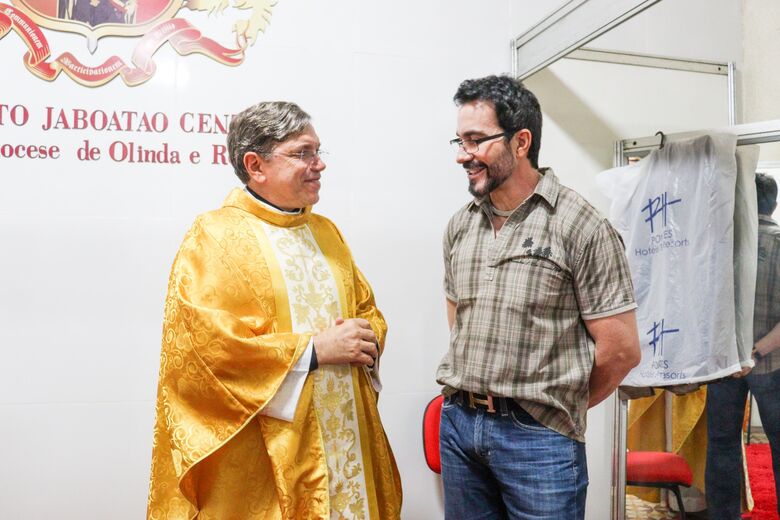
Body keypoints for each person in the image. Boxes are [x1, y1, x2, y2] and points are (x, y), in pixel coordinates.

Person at [146, 101, 402, 519]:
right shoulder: (214, 236)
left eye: (319, 152)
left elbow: (366, 309)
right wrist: (315, 352)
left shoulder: (325, 231)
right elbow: (207, 353)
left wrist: (367, 334)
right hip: (266, 458)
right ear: (255, 165)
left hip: (345, 443)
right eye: (303, 153)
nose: (319, 165)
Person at [436, 75, 641, 519]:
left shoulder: (580, 225)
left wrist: (549, 408)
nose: (461, 154)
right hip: (459, 426)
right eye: (459, 139)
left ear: (521, 141)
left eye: (475, 141)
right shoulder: (460, 225)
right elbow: (460, 323)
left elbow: (621, 351)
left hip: (539, 439)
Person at [706, 172, 780, 519]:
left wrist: (738, 353)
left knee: (721, 448)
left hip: (725, 365)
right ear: (774, 203)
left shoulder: (724, 245)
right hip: (771, 363)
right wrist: (758, 351)